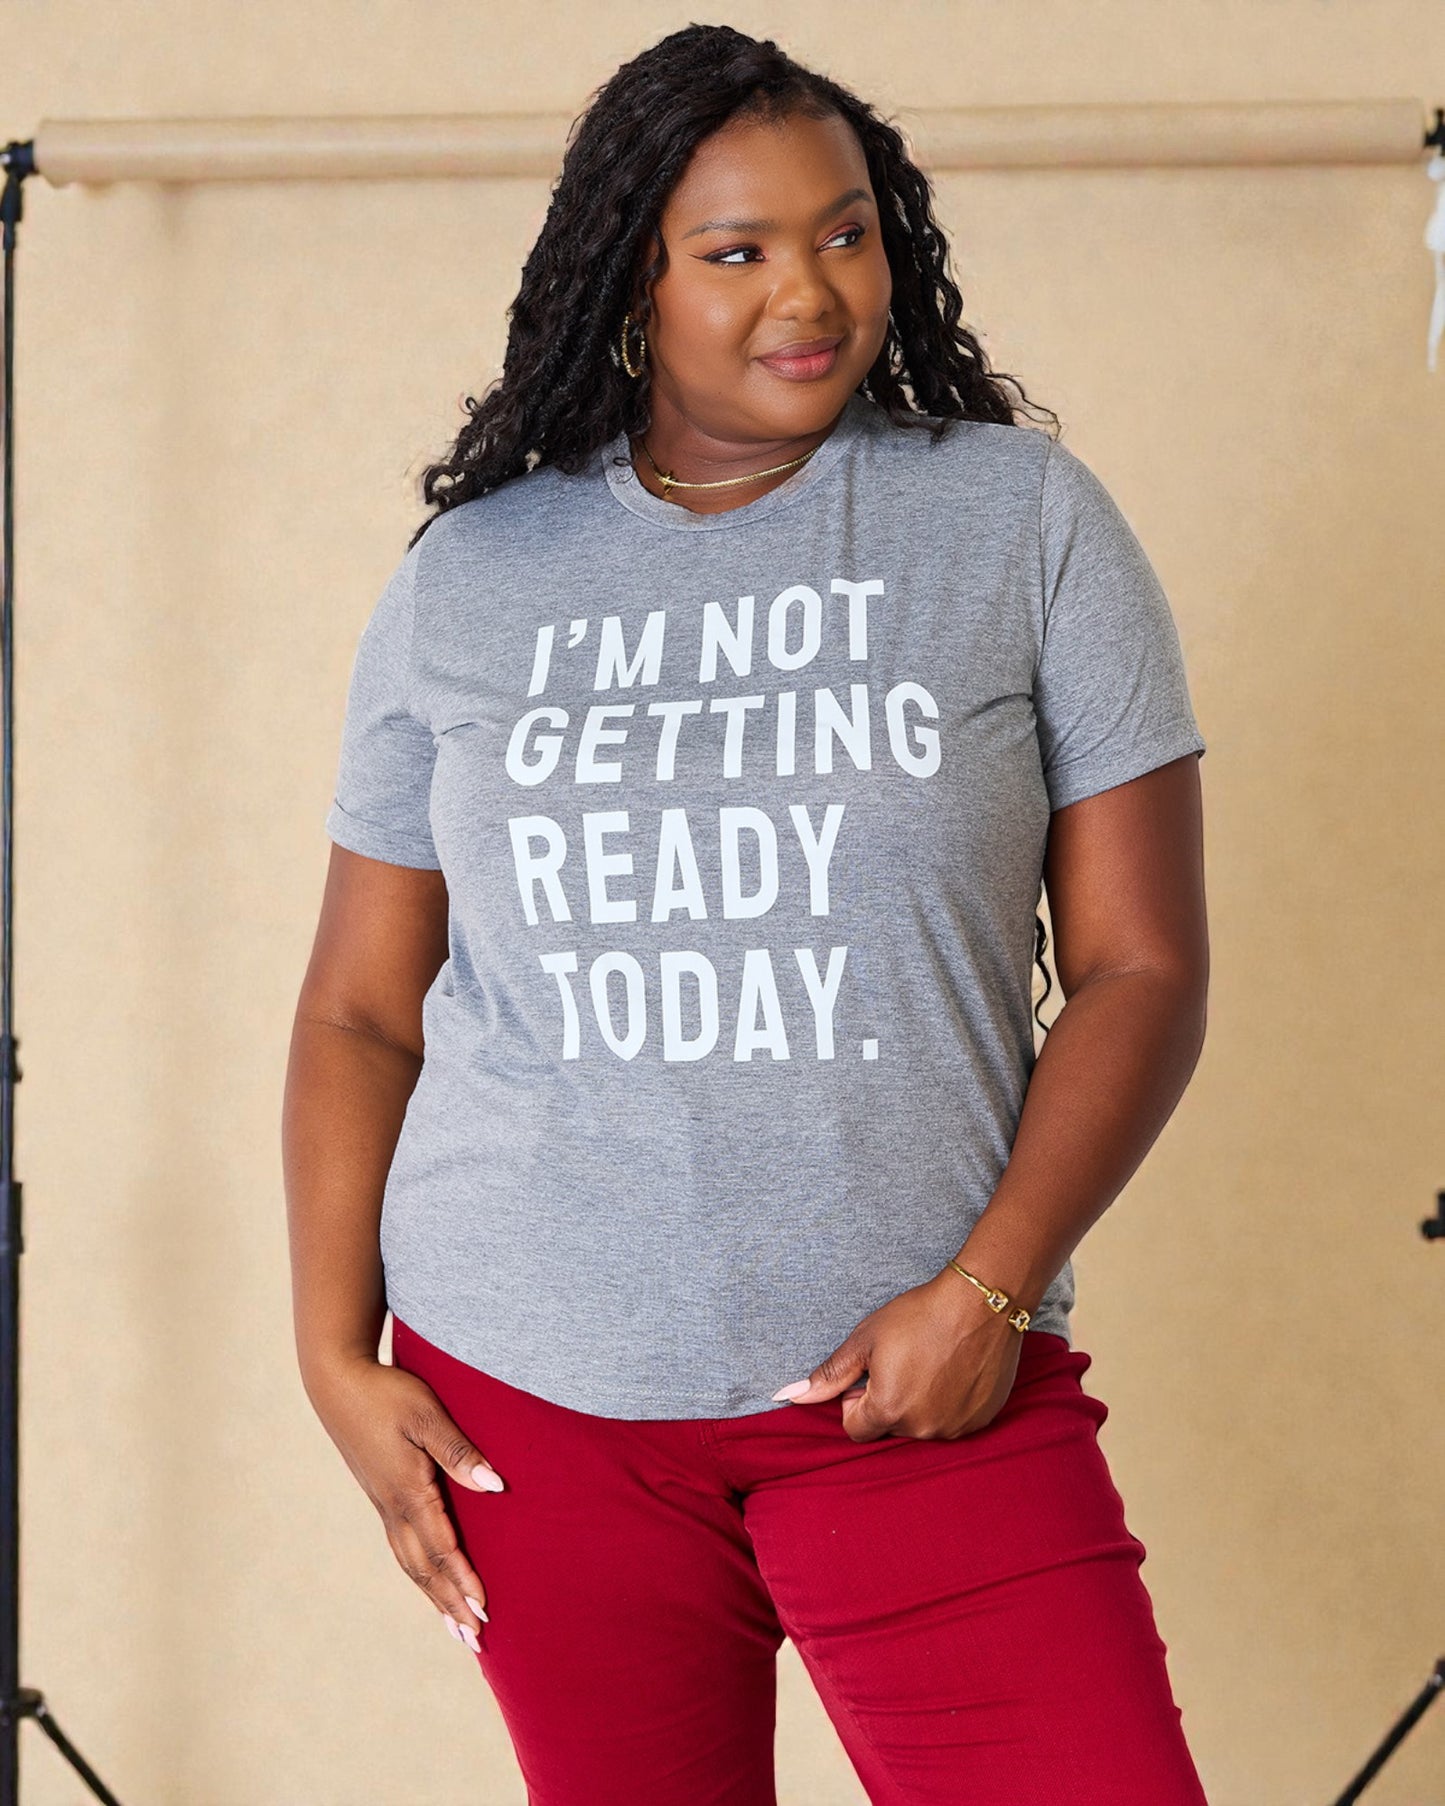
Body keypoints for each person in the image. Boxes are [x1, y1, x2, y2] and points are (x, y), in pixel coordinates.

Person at [282, 23, 1212, 1805]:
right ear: (631, 277)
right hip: (539, 1405)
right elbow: (362, 1010)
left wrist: (988, 1294)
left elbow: (1137, 966)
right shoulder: (474, 578)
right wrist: (334, 1352)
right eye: (737, 251)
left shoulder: (1016, 523)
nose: (810, 292)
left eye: (844, 232)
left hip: (923, 1388)